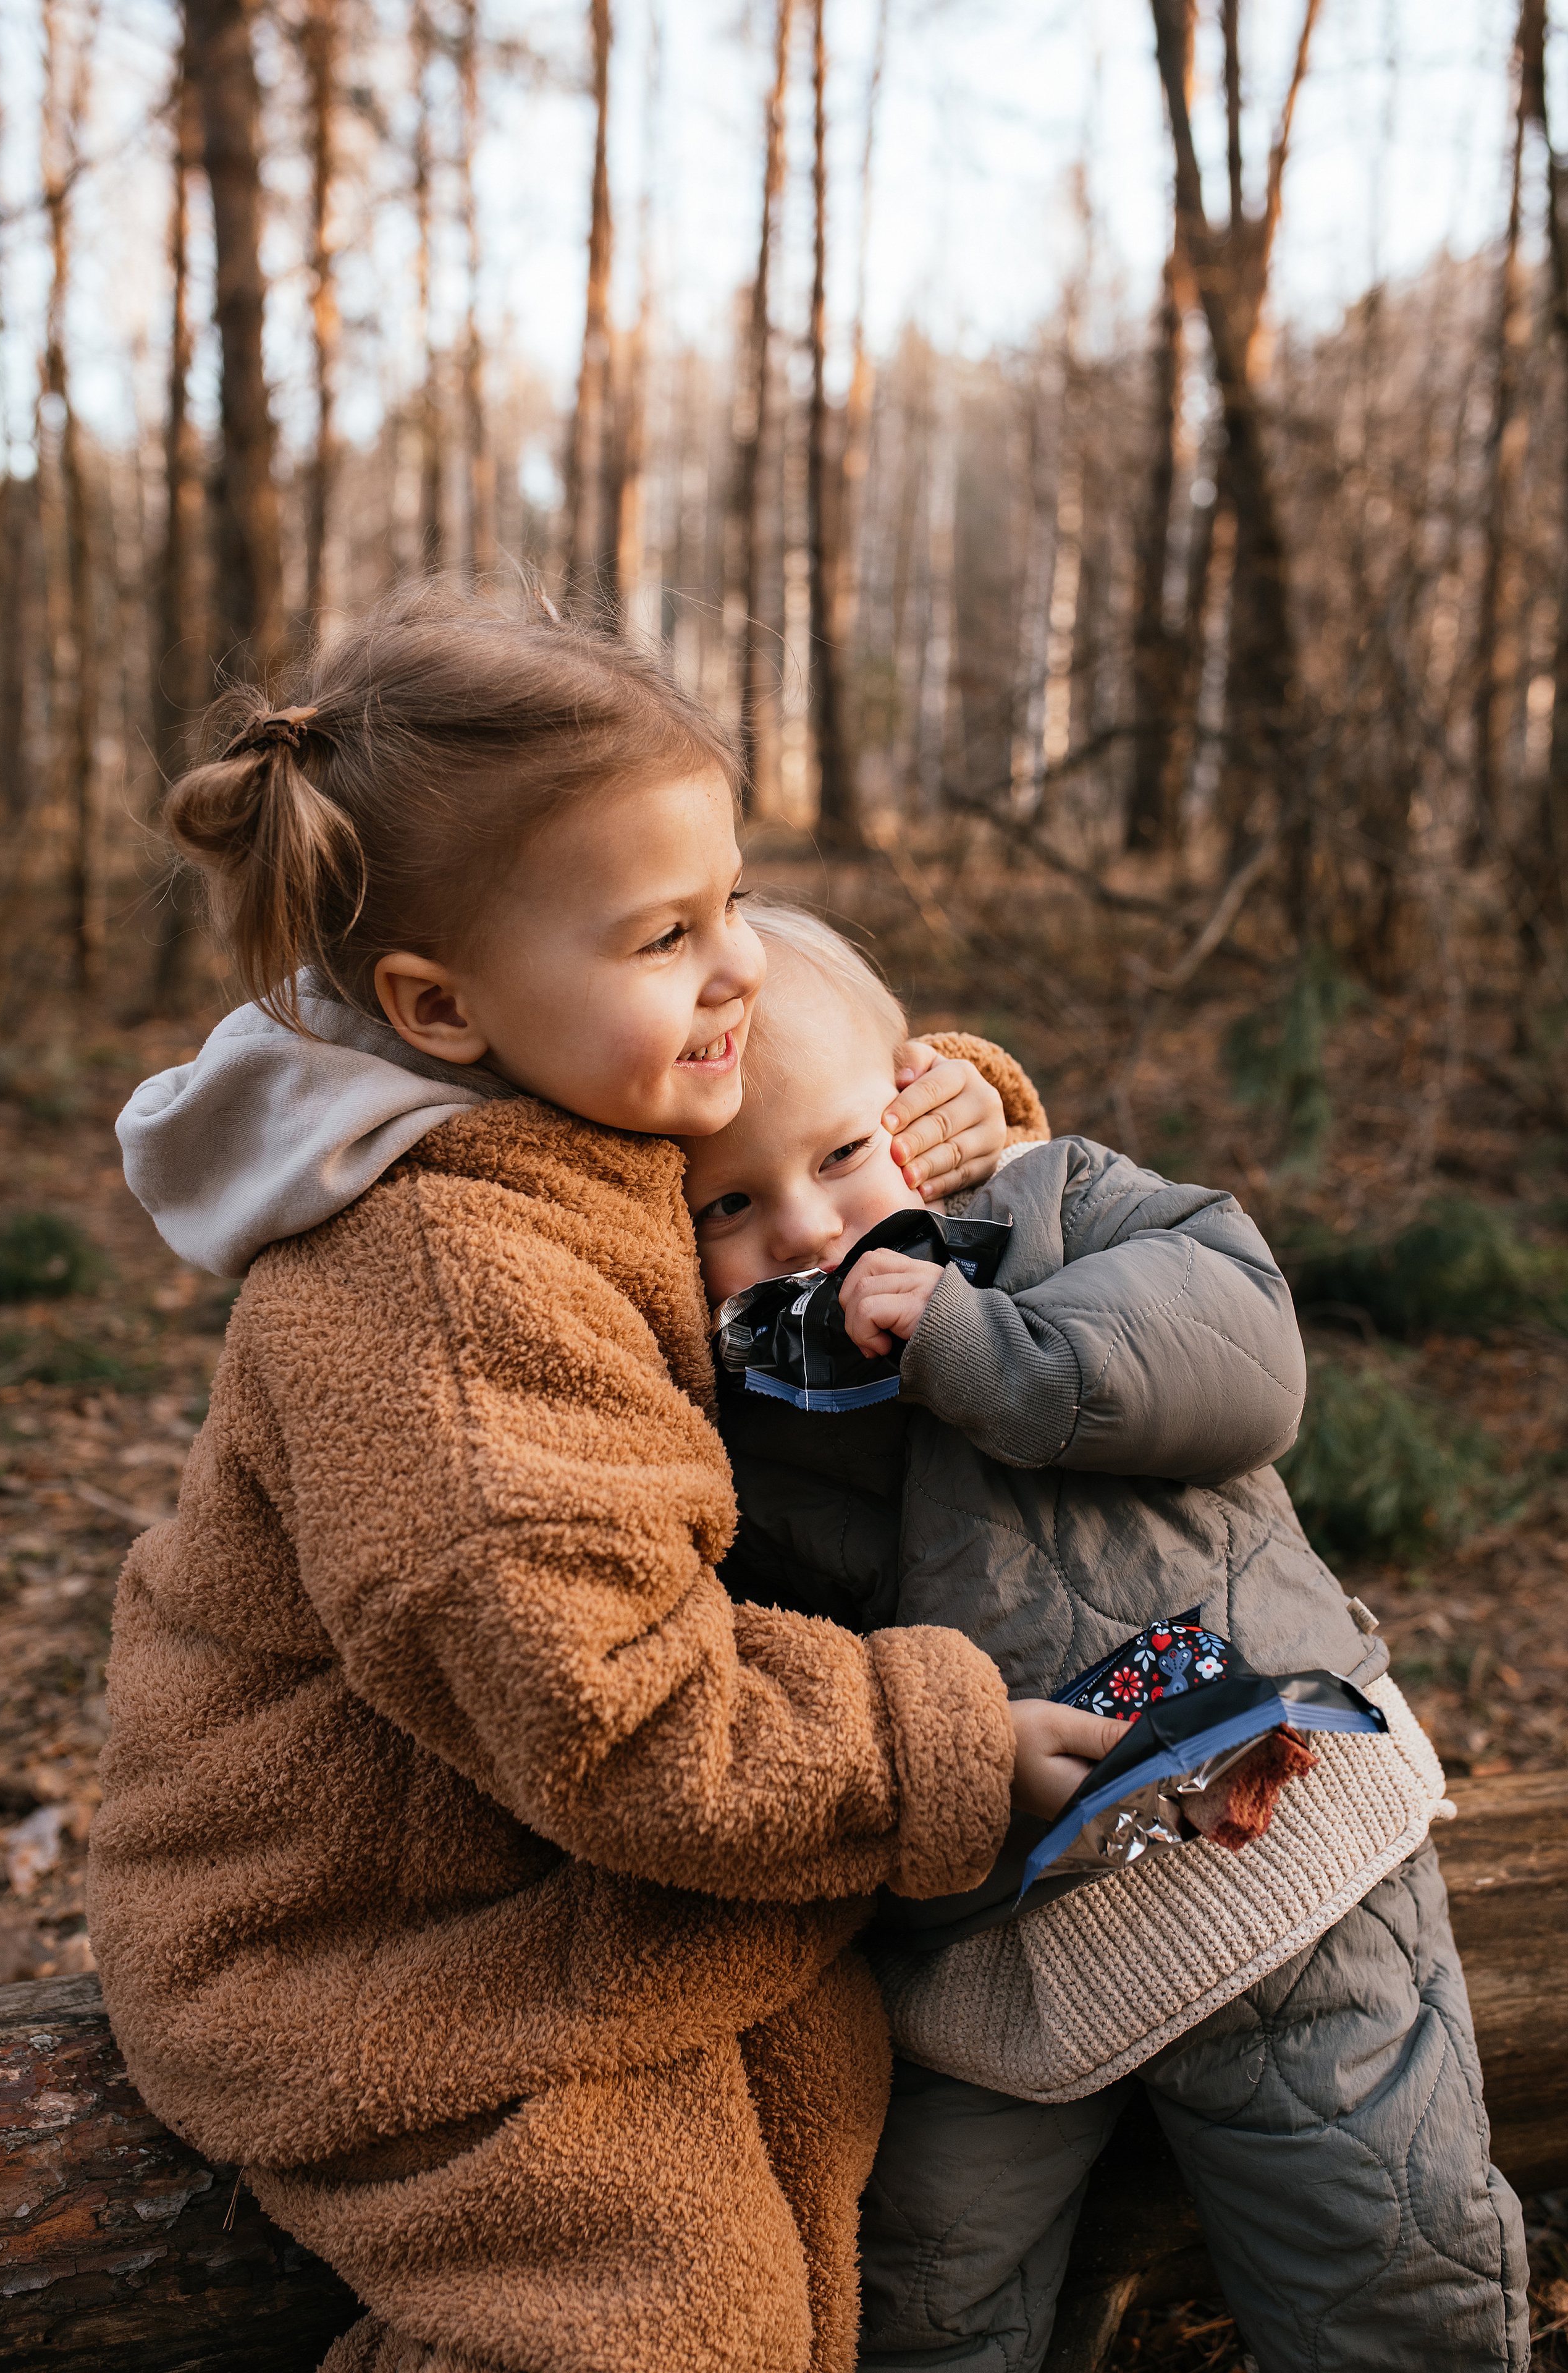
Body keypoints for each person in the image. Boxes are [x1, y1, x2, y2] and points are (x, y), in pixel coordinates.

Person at [87, 585, 1123, 2373]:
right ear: (440, 1002)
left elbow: (789, 1184)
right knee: (656, 2317)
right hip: (362, 1934)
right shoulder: (438, 1295)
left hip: (541, 1849)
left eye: (733, 897)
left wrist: (957, 1113)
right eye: (667, 933)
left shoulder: (569, 1106)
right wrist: (927, 1746)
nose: (742, 965)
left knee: (821, 2107)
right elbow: (612, 1716)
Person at [682, 900, 1529, 2373]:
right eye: (725, 1209)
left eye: (835, 1155)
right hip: (982, 1951)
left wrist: (981, 1341)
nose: (808, 1229)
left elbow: (1241, 1356)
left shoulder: (1050, 1205)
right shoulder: (718, 1425)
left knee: (1379, 2249)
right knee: (917, 2296)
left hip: (1266, 1855)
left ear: (916, 1105)